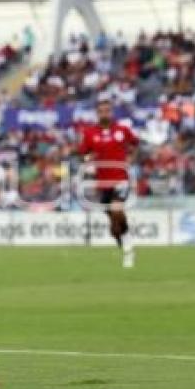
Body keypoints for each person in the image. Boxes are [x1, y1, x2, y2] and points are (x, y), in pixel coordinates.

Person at [78, 98, 139, 268]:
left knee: (116, 209)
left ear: (111, 112)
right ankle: (123, 241)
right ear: (97, 113)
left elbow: (135, 144)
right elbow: (83, 154)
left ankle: (128, 249)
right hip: (102, 183)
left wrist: (131, 158)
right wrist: (87, 159)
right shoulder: (90, 133)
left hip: (120, 178)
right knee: (114, 227)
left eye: (107, 110)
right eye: (101, 111)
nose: (105, 113)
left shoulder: (122, 130)